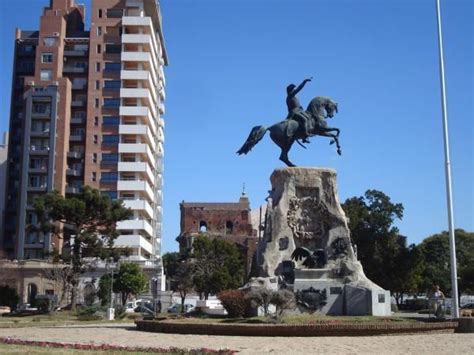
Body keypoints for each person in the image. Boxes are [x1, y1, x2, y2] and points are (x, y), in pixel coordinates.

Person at [286, 77, 313, 143]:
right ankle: (305, 137)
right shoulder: (290, 95)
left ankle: (304, 133)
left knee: (309, 117)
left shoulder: (293, 96)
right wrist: (304, 82)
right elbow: (299, 88)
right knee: (305, 119)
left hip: (299, 111)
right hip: (294, 112)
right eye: (294, 89)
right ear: (291, 90)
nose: (295, 90)